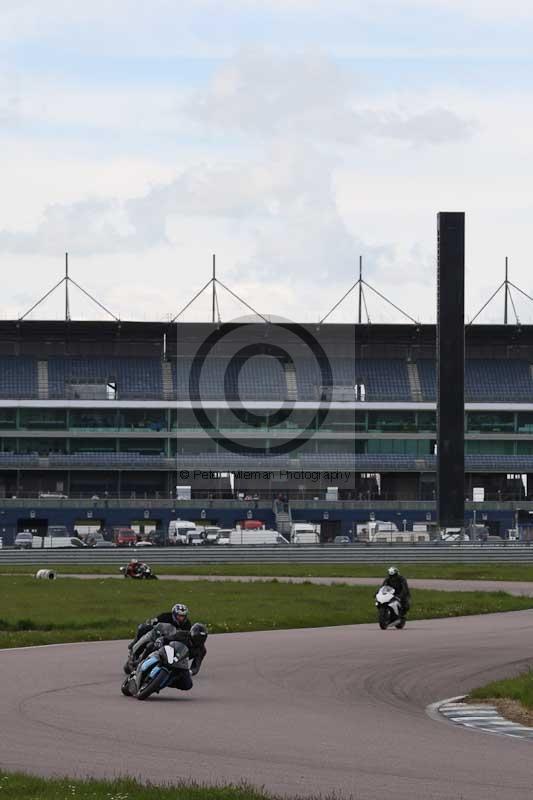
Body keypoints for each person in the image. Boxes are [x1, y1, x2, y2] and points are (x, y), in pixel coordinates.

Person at [153, 622, 208, 691]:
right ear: (192, 633)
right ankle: (139, 661)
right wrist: (161, 640)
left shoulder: (202, 650)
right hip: (169, 651)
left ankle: (165, 682)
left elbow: (196, 665)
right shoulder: (182, 634)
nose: (199, 639)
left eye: (202, 638)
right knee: (151, 646)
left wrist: (191, 671)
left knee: (188, 685)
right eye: (197, 636)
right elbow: (168, 638)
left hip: (180, 663)